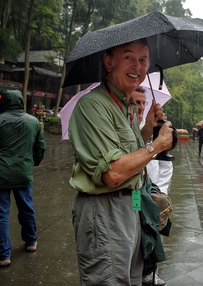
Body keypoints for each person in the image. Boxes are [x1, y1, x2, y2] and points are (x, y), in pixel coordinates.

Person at [69, 39, 174, 285]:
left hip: (133, 204)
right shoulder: (93, 105)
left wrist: (148, 129)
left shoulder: (125, 105)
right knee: (110, 279)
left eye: (143, 59)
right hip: (105, 209)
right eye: (128, 57)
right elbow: (113, 174)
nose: (137, 66)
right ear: (108, 62)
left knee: (134, 278)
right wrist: (157, 145)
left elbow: (131, 152)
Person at [0, 90, 46, 267]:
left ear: (4, 102)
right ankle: (31, 241)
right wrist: (31, 163)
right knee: (27, 208)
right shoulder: (33, 121)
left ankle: (3, 255)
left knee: (1, 214)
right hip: (22, 172)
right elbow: (40, 148)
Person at [132, 86, 171, 286]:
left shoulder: (157, 128)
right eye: (136, 102)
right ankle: (140, 269)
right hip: (136, 192)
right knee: (139, 226)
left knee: (155, 227)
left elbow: (166, 164)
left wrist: (162, 190)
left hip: (153, 189)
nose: (139, 106)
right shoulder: (127, 128)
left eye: (142, 103)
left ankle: (151, 270)